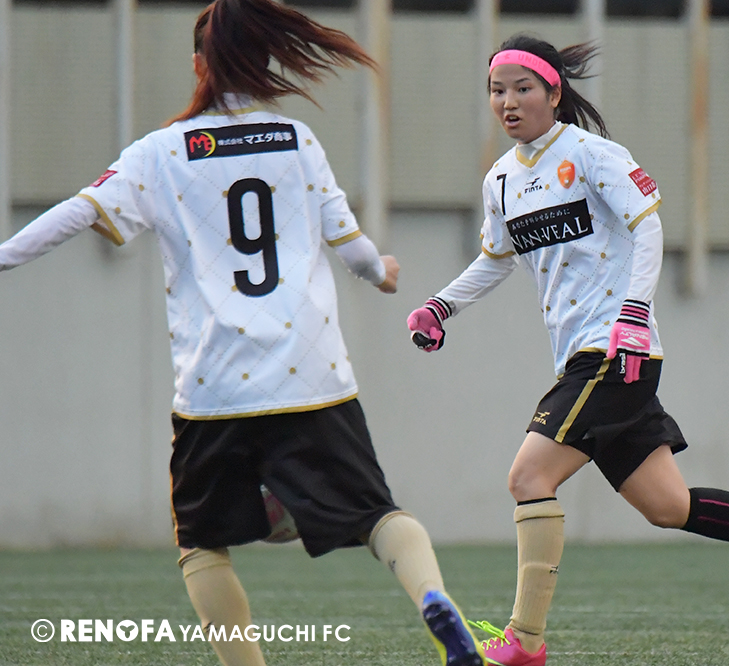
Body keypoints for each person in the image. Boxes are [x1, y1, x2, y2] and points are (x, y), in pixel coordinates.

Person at [0, 1, 486, 664]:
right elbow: (354, 250)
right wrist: (382, 273)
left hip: (216, 384)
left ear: (199, 64)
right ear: (265, 61)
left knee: (200, 543)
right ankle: (432, 598)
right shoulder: (295, 140)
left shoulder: (162, 152)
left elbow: (75, 213)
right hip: (311, 374)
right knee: (378, 516)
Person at [407, 33, 729, 666]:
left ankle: (524, 643)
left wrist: (633, 314)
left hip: (616, 352)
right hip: (584, 358)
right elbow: (495, 258)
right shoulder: (502, 181)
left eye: (522, 88)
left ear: (553, 93)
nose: (507, 102)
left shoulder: (592, 155)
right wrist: (440, 306)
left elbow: (649, 229)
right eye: (496, 90)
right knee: (668, 506)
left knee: (528, 477)